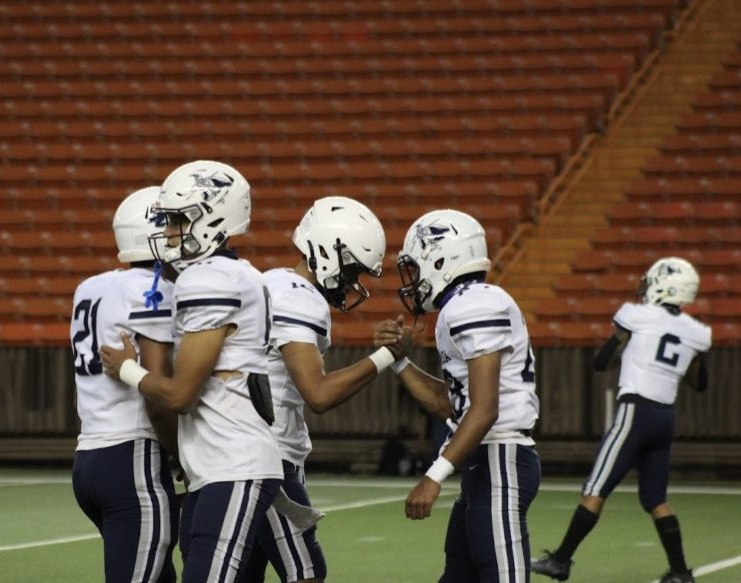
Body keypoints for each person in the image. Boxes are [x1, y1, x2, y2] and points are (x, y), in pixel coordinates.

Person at [100, 160, 284, 583]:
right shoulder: (230, 273)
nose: (168, 233)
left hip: (233, 463)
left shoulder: (211, 278)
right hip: (218, 464)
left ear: (213, 218)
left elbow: (182, 395)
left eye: (178, 220)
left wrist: (126, 368)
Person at [374, 209, 541, 583]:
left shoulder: (473, 304)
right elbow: (453, 405)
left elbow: (484, 411)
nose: (413, 281)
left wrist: (433, 477)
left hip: (501, 458)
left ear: (440, 259)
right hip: (485, 460)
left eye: (416, 268)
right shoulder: (465, 304)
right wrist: (400, 363)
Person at [531, 257, 711, 583]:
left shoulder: (635, 315)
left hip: (635, 412)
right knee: (656, 499)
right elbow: (699, 383)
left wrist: (623, 340)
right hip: (665, 418)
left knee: (595, 488)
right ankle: (681, 572)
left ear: (663, 285)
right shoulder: (696, 332)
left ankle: (560, 561)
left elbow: (601, 362)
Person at [241, 196, 390, 583]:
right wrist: (387, 356)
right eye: (353, 269)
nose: (354, 282)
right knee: (306, 572)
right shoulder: (299, 296)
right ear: (330, 253)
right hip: (267, 457)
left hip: (247, 449)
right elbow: (319, 394)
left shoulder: (271, 280)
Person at [70, 186, 180, 583]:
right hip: (132, 461)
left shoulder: (90, 287)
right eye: (174, 225)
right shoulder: (152, 290)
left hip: (88, 460)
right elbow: (156, 396)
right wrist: (182, 453)